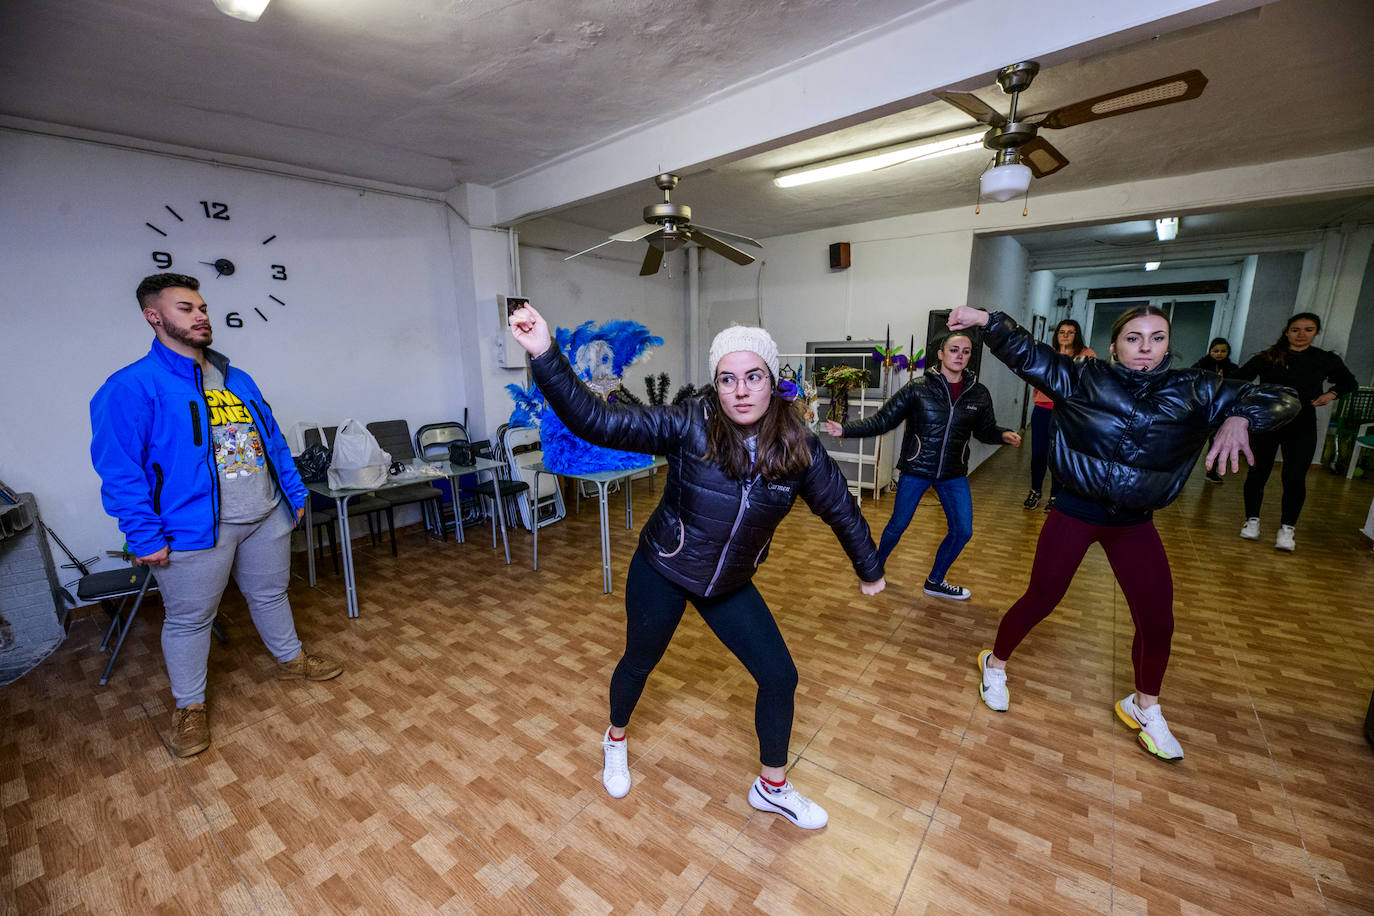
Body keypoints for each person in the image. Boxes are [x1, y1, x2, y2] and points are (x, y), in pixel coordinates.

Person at [509, 303, 885, 829]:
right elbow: (599, 420)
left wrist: (869, 567)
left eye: (753, 376)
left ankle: (770, 788)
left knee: (780, 676)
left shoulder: (799, 448)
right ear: (716, 385)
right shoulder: (690, 424)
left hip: (728, 584)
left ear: (771, 381)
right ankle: (615, 738)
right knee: (639, 662)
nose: (741, 389)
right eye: (727, 379)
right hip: (663, 567)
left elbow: (839, 506)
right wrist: (545, 353)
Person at [948, 304, 1297, 761]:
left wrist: (1240, 415)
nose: (1145, 348)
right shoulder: (1083, 377)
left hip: (1133, 523)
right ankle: (994, 664)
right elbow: (1027, 354)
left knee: (1157, 618)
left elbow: (1285, 398)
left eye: (1157, 337)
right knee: (1043, 597)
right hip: (1075, 510)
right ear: (1114, 345)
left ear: (1169, 345)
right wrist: (989, 322)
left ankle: (1145, 705)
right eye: (1134, 338)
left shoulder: (1197, 389)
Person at [91, 273, 341, 758]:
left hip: (266, 515)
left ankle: (292, 658)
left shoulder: (236, 377)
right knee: (188, 620)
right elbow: (120, 472)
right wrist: (144, 536)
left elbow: (272, 441)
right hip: (193, 528)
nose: (200, 314)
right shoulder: (131, 387)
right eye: (185, 308)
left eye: (202, 306)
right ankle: (189, 707)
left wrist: (293, 496)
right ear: (154, 316)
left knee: (270, 594)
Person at [825, 331, 1020, 600]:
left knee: (962, 530)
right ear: (941, 354)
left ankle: (936, 581)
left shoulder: (979, 394)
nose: (959, 356)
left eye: (965, 351)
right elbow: (884, 420)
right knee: (898, 525)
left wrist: (1002, 435)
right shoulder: (918, 388)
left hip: (953, 474)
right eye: (954, 350)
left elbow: (984, 431)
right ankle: (873, 569)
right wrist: (846, 430)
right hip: (916, 470)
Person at [1232, 312, 1358, 551]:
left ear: (1316, 332)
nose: (1301, 335)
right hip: (1267, 423)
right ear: (1287, 331)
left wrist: (1331, 394)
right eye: (1296, 330)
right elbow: (1238, 379)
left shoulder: (1323, 358)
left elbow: (1348, 382)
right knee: (1258, 473)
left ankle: (1287, 529)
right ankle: (1252, 521)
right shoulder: (1268, 357)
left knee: (1294, 477)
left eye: (1308, 330)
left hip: (1302, 425)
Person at [1023, 320, 1095, 511]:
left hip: (1068, 412)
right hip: (1043, 408)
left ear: (1076, 334)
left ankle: (1056, 495)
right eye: (1061, 332)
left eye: (1070, 332)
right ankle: (1035, 491)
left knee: (1059, 454)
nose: (1065, 335)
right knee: (1039, 452)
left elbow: (1083, 382)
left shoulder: (1087, 355)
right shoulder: (1048, 353)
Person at [1193, 337, 1239, 482]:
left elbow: (1235, 388)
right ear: (1210, 351)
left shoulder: (1233, 369)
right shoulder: (1200, 366)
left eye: (1223, 351)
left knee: (1217, 441)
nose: (1219, 354)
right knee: (1193, 441)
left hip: (1222, 409)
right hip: (1202, 408)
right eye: (1216, 351)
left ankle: (1211, 471)